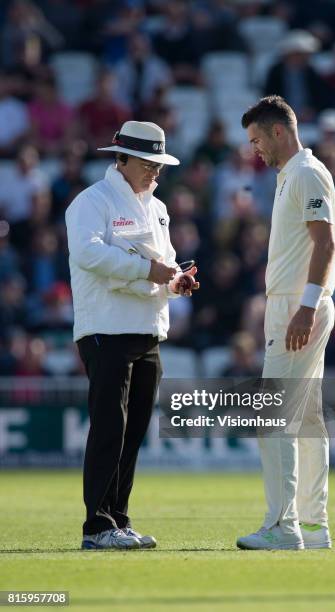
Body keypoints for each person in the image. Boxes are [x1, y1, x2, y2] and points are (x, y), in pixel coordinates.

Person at [65, 120, 199, 550]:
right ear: (119, 158)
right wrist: (149, 271)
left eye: (158, 164)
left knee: (133, 430)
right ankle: (97, 527)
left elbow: (166, 264)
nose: (154, 172)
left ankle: (117, 521)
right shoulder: (92, 201)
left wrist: (177, 283)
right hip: (106, 329)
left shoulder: (156, 208)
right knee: (109, 427)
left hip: (147, 332)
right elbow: (87, 254)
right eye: (147, 163)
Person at [237, 96, 335, 551]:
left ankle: (283, 526)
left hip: (299, 309)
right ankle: (314, 527)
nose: (254, 148)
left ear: (280, 131)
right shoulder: (288, 176)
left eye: (257, 138)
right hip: (294, 306)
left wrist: (306, 306)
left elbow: (327, 242)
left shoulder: (306, 173)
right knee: (308, 420)